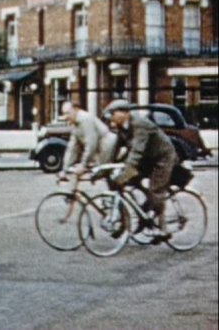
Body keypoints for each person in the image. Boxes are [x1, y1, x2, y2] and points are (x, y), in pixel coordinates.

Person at [104, 99, 178, 243]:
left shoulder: (139, 125)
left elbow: (136, 151)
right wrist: (104, 169)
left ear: (123, 113)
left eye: (112, 114)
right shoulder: (122, 128)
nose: (110, 118)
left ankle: (163, 229)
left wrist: (127, 170)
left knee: (156, 190)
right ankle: (128, 222)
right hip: (146, 157)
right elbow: (114, 151)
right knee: (120, 183)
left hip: (162, 157)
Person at [58, 101, 118, 180]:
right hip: (101, 151)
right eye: (64, 114)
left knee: (105, 176)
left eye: (67, 113)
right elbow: (72, 148)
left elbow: (91, 144)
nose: (65, 117)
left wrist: (83, 164)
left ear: (75, 110)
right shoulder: (75, 124)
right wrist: (65, 169)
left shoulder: (85, 119)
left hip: (110, 148)